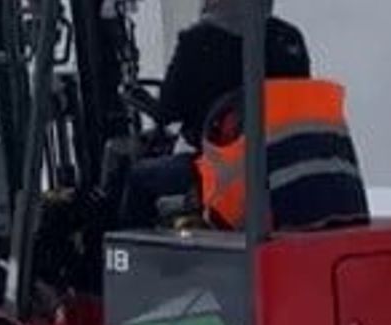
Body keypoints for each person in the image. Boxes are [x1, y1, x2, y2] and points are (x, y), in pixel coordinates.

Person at [118, 0, 311, 228]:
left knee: (138, 178)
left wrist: (145, 100)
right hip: (285, 164)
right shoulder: (288, 39)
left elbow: (169, 110)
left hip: (223, 171)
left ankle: (120, 259)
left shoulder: (198, 42)